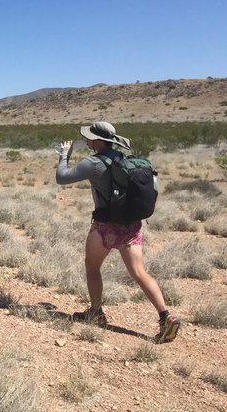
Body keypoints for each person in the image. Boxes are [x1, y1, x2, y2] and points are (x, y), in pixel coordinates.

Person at [56, 121, 180, 343]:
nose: (87, 140)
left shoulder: (92, 163)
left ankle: (96, 313)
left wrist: (64, 154)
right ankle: (166, 317)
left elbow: (62, 177)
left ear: (99, 141)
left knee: (92, 267)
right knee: (139, 272)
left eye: (90, 137)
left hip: (106, 226)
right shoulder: (123, 159)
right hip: (131, 225)